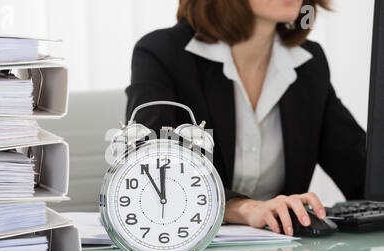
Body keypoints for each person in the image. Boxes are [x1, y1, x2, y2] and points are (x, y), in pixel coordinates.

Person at [125, 0, 366, 236]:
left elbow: (359, 168)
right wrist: (240, 208)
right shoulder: (162, 53)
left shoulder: (308, 62)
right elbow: (151, 171)